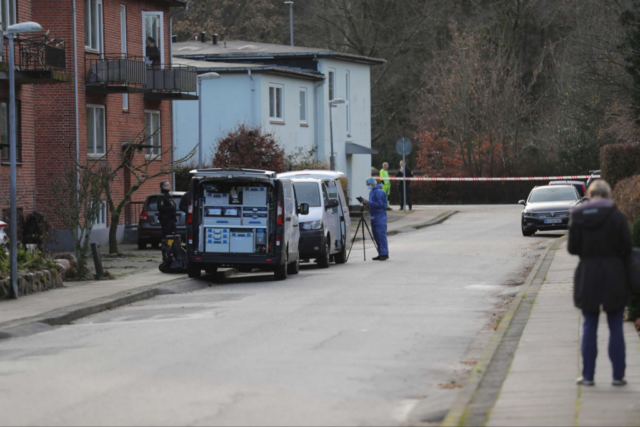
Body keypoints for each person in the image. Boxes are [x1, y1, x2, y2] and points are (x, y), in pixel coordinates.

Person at [568, 179, 633, 387]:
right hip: (614, 275)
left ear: (590, 195)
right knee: (615, 326)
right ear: (608, 195)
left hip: (588, 274)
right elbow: (627, 246)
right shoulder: (616, 215)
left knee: (589, 325)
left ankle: (588, 376)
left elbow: (572, 248)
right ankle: (617, 376)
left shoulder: (578, 216)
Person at [361, 177, 389, 261]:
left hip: (380, 216)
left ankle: (384, 253)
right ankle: (380, 253)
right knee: (376, 236)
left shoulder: (379, 192)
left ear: (372, 184)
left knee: (381, 235)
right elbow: (374, 204)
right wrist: (368, 204)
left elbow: (380, 204)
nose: (367, 186)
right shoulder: (372, 192)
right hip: (374, 216)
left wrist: (369, 203)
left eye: (368, 184)